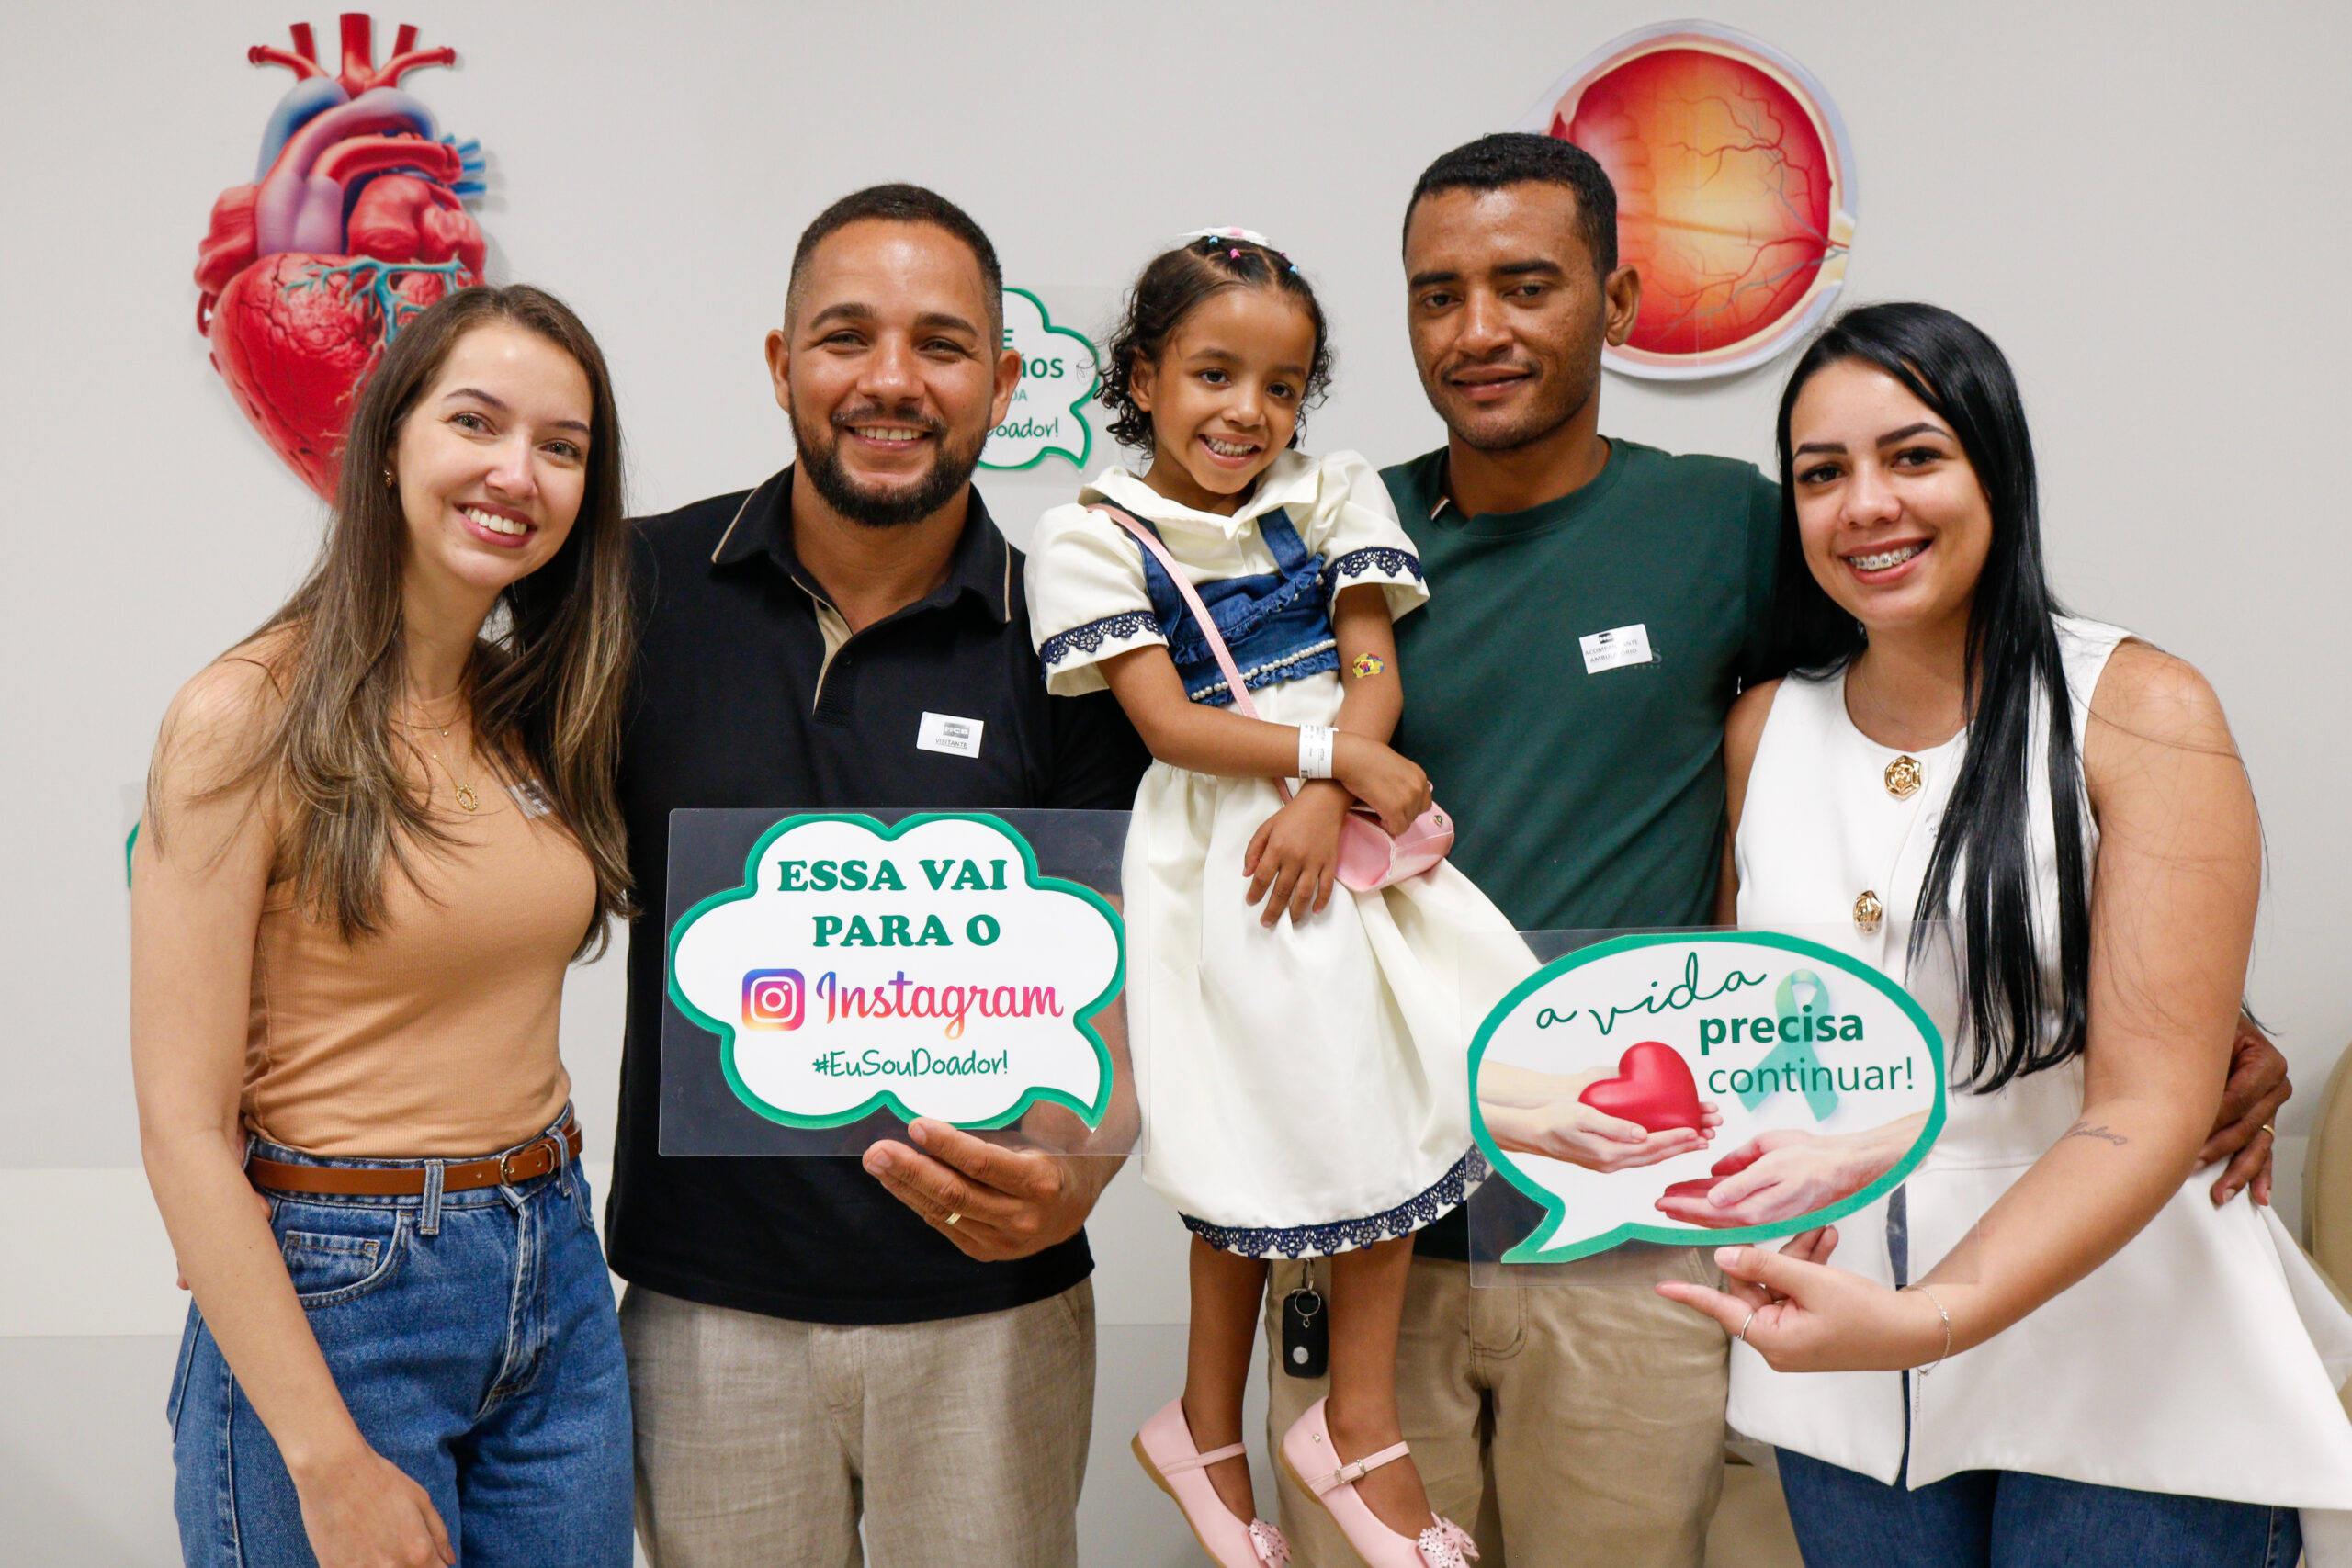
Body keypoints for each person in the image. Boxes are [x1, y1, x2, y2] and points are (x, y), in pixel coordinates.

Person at [1259, 132, 2300, 1568]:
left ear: (1618, 303)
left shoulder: (1727, 531)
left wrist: (2190, 1019)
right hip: (1378, 1222)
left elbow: (1980, 731)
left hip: (1640, 1252)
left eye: (1526, 285)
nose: (1478, 328)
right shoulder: (1325, 547)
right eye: (1439, 295)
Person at [1657, 300, 2352, 1567]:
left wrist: (1931, 1317)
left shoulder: (2140, 707)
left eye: (1914, 456)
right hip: (1848, 1374)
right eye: (1822, 474)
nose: (1867, 504)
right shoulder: (1765, 732)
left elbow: (2148, 1106)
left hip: (2131, 1357)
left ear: (1998, 469)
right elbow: (1743, 1044)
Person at [605, 184, 1150, 1568]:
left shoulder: (1079, 638)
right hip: (705, 1314)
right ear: (783, 363)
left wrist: (1088, 1161)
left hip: (991, 1306)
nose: (892, 381)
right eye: (847, 337)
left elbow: (1142, 959)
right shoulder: (632, 591)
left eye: (942, 344)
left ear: (1004, 384)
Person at [1026, 230, 1531, 1568]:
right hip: (1227, 857)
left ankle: (1311, 1424)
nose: (1248, 411)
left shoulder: (1330, 490)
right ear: (1143, 375)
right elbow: (1168, 724)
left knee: (1396, 1106)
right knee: (1258, 1132)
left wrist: (1330, 783)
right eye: (1213, 374)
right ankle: (1280, 1430)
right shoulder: (1089, 536)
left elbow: (1372, 664)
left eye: (1282, 385)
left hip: (1338, 837)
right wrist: (1328, 766)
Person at [133, 284, 639, 1568]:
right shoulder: (242, 719)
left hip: (553, 1266)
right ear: (388, 444)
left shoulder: (531, 712)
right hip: (338, 1296)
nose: (516, 473)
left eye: (562, 446)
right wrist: (325, 1455)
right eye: (476, 422)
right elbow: (184, 1130)